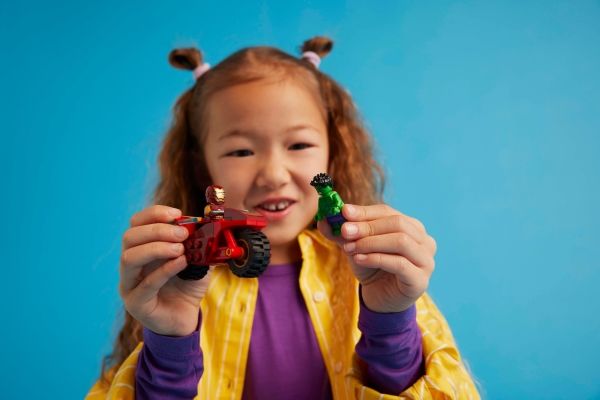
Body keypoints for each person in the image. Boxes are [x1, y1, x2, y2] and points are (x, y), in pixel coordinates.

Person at [86, 36, 480, 399]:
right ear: (203, 167)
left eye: (299, 144)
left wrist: (390, 317)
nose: (274, 174)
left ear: (333, 152)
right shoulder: (180, 285)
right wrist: (170, 338)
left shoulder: (371, 272)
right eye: (241, 152)